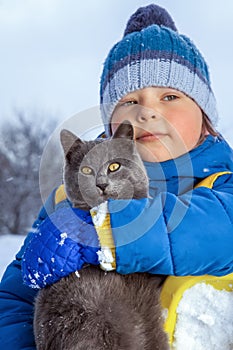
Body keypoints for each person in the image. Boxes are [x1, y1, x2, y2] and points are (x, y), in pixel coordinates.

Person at [1, 3, 233, 349]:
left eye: (170, 96)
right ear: (113, 125)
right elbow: (14, 300)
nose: (149, 112)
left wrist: (106, 229)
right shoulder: (69, 200)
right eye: (130, 101)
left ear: (205, 116)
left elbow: (216, 230)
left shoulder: (222, 182)